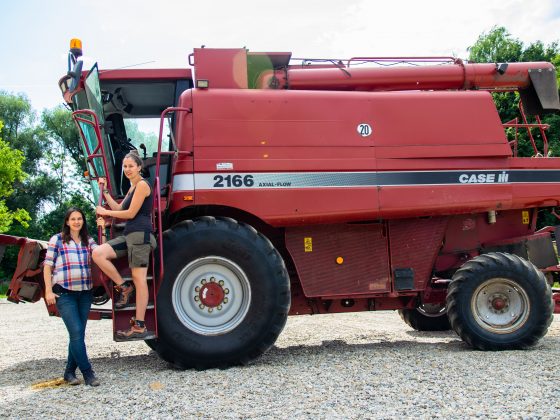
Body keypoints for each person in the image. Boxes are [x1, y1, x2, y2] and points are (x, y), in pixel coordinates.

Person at [93, 151, 156, 339]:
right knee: (98, 254)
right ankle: (123, 286)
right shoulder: (132, 188)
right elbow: (119, 209)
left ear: (139, 167)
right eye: (125, 167)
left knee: (139, 278)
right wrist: (104, 192)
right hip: (130, 235)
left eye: (131, 166)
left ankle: (139, 325)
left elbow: (129, 214)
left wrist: (104, 212)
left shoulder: (143, 185)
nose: (127, 169)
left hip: (140, 236)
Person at [43, 207, 105, 387]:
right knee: (77, 333)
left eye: (79, 218)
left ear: (83, 221)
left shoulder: (88, 240)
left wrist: (103, 230)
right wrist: (48, 290)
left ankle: (69, 373)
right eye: (73, 219)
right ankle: (89, 374)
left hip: (85, 293)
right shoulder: (58, 239)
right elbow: (48, 266)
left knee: (77, 334)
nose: (77, 222)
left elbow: (101, 252)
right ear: (67, 222)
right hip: (64, 293)